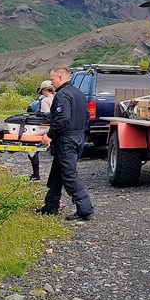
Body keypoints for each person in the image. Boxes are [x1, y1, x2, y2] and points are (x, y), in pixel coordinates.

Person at [35, 67, 94, 221]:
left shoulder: (62, 95)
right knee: (57, 173)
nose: (52, 83)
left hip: (67, 139)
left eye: (52, 79)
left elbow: (62, 119)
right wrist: (83, 134)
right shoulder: (79, 93)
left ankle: (85, 208)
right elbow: (87, 117)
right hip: (78, 137)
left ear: (60, 77)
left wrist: (49, 135)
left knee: (68, 174)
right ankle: (51, 205)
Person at [27, 80, 55, 181]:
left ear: (44, 90)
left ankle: (36, 174)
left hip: (47, 128)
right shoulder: (58, 98)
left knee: (32, 150)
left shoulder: (45, 101)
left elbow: (45, 118)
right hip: (58, 128)